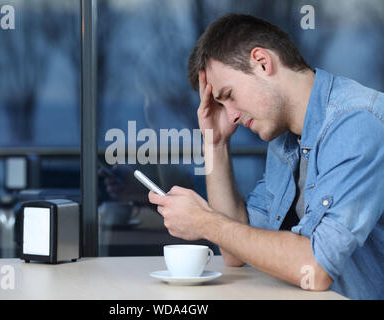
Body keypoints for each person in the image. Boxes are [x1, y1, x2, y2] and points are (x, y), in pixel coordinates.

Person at [148, 14, 383, 299]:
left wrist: (205, 221)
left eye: (229, 94)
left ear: (262, 62)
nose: (231, 115)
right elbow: (235, 252)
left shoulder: (357, 123)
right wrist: (216, 143)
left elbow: (315, 267)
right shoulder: (284, 139)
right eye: (221, 104)